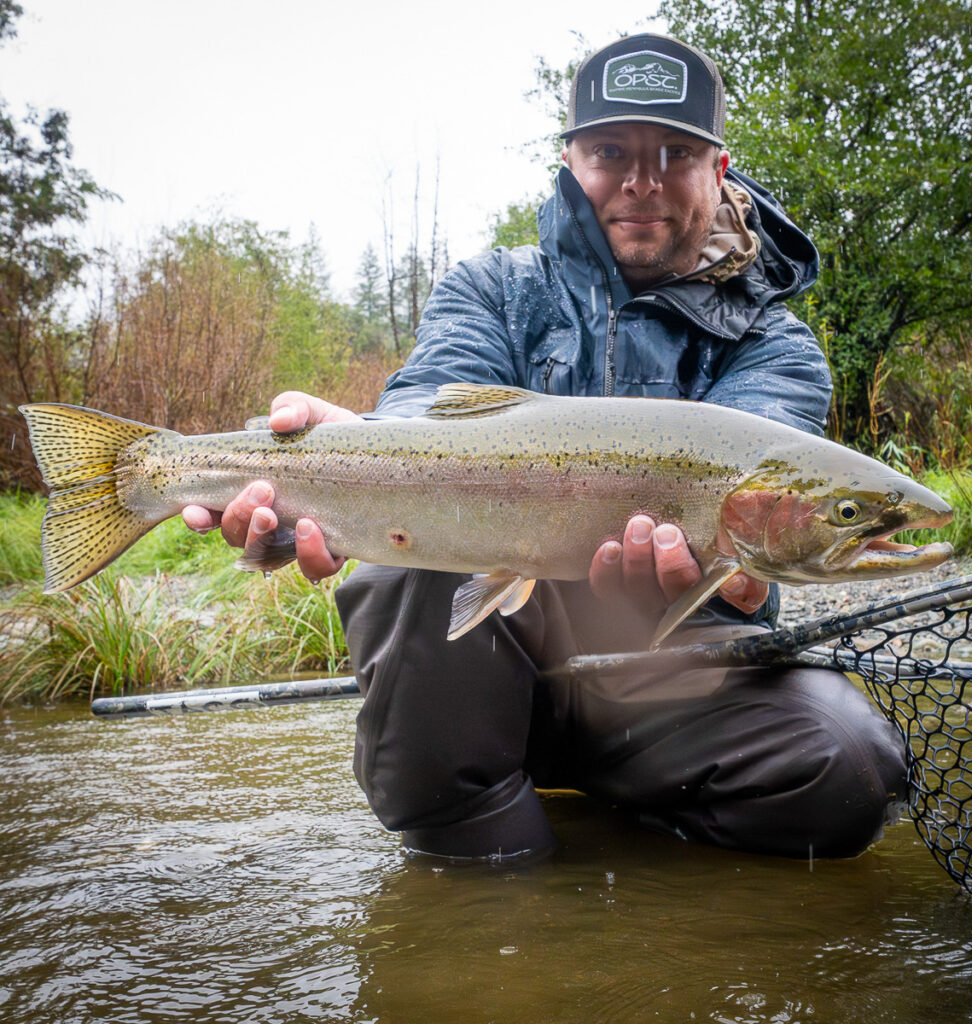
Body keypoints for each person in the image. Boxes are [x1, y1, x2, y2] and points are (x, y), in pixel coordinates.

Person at [184, 34, 908, 861]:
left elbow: (762, 542)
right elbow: (423, 408)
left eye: (675, 152)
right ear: (570, 161)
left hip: (679, 671)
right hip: (482, 669)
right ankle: (480, 864)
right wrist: (342, 458)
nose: (641, 180)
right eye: (611, 151)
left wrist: (741, 573)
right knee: (410, 562)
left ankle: (629, 884)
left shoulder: (776, 347)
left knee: (849, 770)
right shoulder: (492, 289)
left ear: (720, 168)